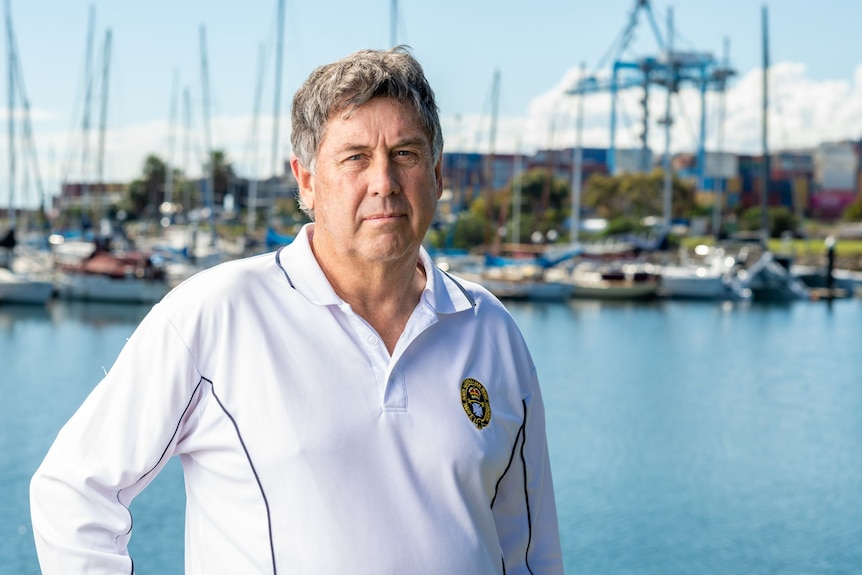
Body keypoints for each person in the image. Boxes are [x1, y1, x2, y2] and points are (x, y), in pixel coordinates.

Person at [30, 46, 563, 574]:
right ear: (306, 182)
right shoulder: (215, 314)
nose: (384, 182)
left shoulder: (491, 330)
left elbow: (529, 549)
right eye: (355, 158)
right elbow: (73, 490)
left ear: (437, 175)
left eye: (406, 154)